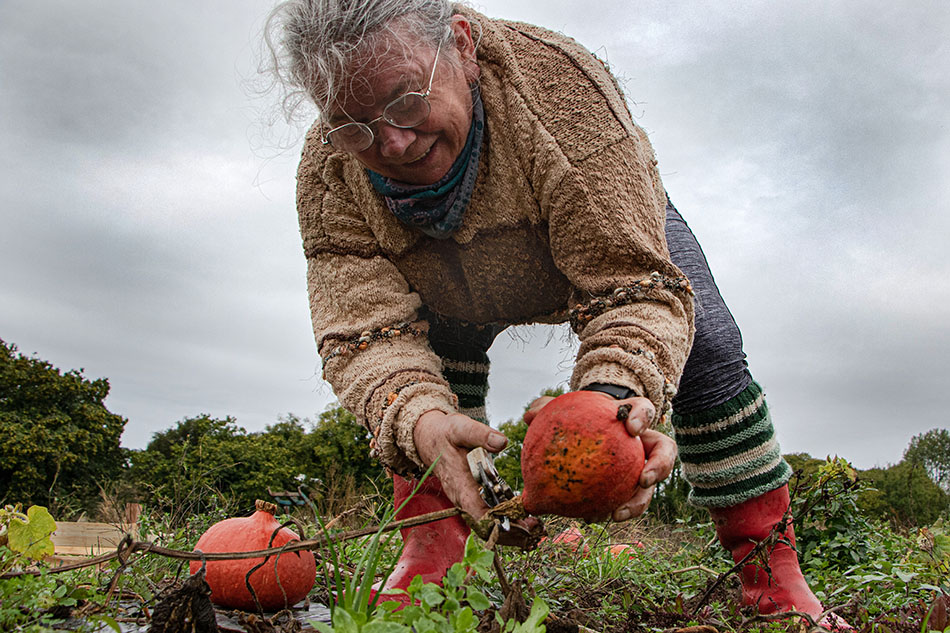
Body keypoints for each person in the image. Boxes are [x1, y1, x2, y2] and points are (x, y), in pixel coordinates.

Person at [264, 1, 847, 628]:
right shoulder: (331, 175)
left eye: (407, 102)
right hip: (442, 278)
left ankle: (772, 575)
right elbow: (364, 329)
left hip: (594, 229)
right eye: (354, 126)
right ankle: (434, 552)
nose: (394, 142)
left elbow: (631, 284)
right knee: (431, 380)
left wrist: (612, 400)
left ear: (462, 45)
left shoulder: (562, 94)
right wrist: (420, 418)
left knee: (706, 347)